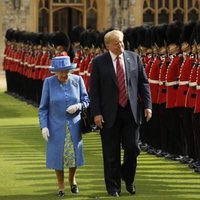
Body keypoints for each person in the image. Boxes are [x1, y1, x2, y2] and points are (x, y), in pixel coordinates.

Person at [89, 29, 152, 197]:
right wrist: (96, 113)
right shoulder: (98, 62)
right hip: (109, 113)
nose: (121, 45)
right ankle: (113, 187)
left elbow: (143, 84)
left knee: (133, 148)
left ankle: (128, 178)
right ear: (108, 45)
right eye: (117, 43)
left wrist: (148, 106)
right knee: (111, 153)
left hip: (131, 111)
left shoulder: (134, 58)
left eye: (122, 42)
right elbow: (94, 91)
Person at [38, 56, 89, 197]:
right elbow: (43, 108)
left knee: (73, 155)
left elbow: (86, 100)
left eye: (66, 71)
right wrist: (44, 126)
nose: (64, 74)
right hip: (55, 126)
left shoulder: (78, 80)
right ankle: (60, 184)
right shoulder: (48, 83)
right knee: (57, 156)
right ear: (55, 72)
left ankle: (72, 179)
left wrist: (79, 105)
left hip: (74, 125)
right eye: (61, 72)